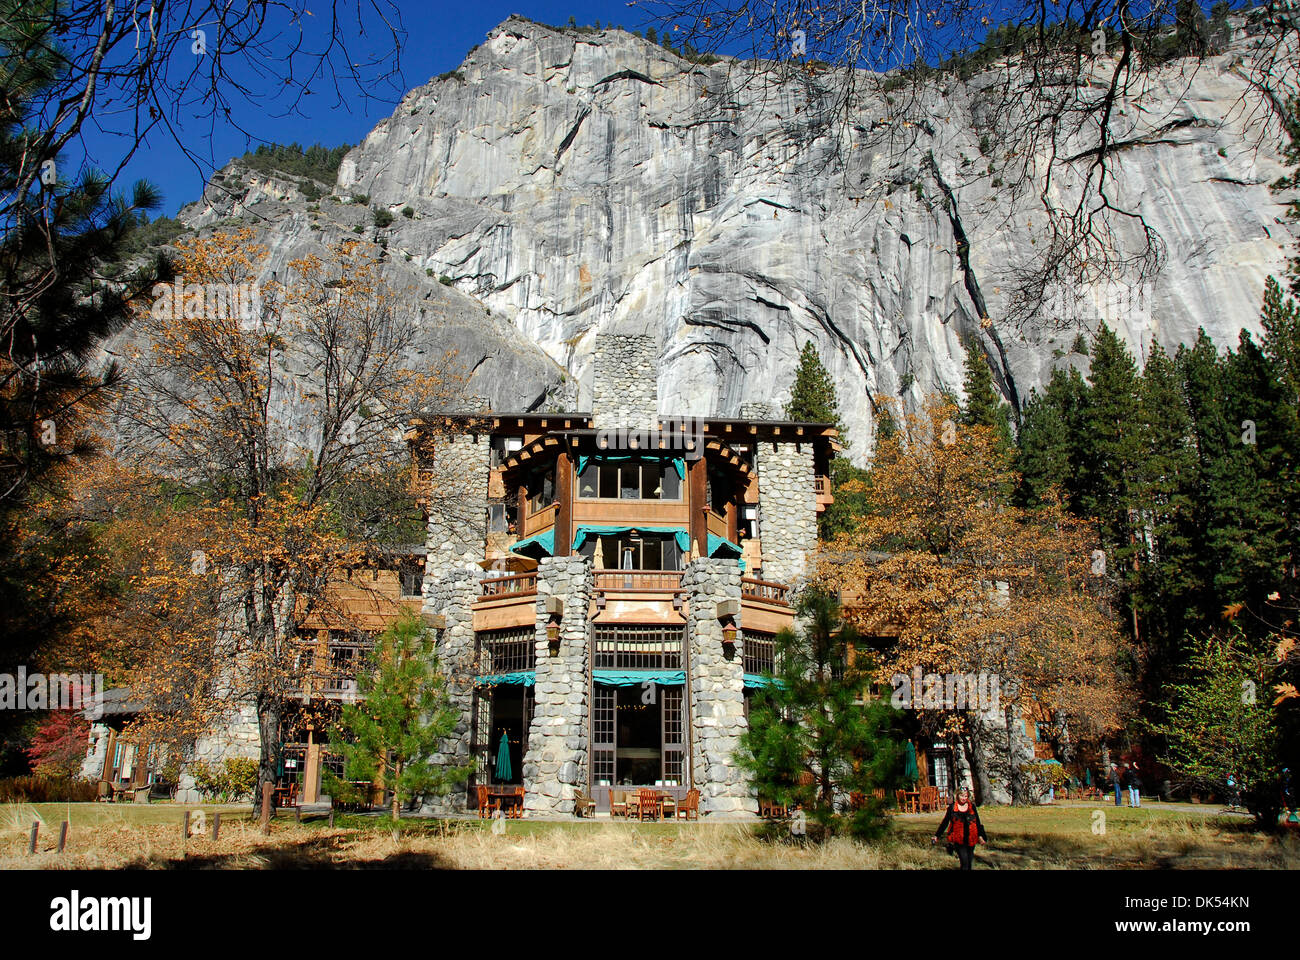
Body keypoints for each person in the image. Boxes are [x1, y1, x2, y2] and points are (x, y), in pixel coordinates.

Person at [933, 785, 988, 870]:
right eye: (962, 796)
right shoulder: (952, 808)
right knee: (964, 862)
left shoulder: (972, 807)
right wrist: (937, 836)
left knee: (969, 863)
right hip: (958, 839)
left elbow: (977, 822)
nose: (964, 798)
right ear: (957, 795)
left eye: (966, 796)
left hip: (971, 838)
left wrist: (980, 836)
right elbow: (945, 823)